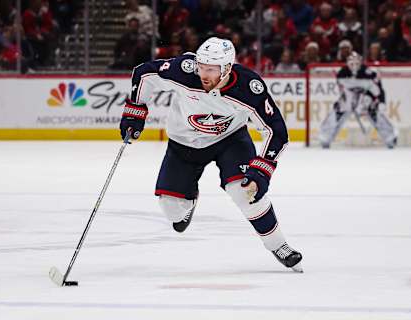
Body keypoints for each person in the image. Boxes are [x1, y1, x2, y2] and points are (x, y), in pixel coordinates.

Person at [119, 37, 303, 271]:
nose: (203, 74)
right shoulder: (184, 70)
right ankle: (189, 198)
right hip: (184, 142)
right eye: (201, 67)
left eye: (211, 69)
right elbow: (145, 73)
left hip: (230, 141)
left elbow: (276, 131)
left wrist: (262, 170)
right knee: (172, 211)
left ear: (226, 68)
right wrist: (135, 111)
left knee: (246, 192)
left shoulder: (248, 86)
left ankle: (279, 245)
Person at [319, 52, 397, 149]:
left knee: (373, 111)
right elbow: (342, 89)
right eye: (352, 63)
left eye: (357, 63)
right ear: (347, 63)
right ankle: (325, 137)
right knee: (339, 110)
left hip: (365, 95)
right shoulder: (342, 73)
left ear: (361, 63)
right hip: (349, 95)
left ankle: (390, 137)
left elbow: (377, 89)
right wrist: (350, 100)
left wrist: (380, 101)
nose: (354, 66)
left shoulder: (368, 73)